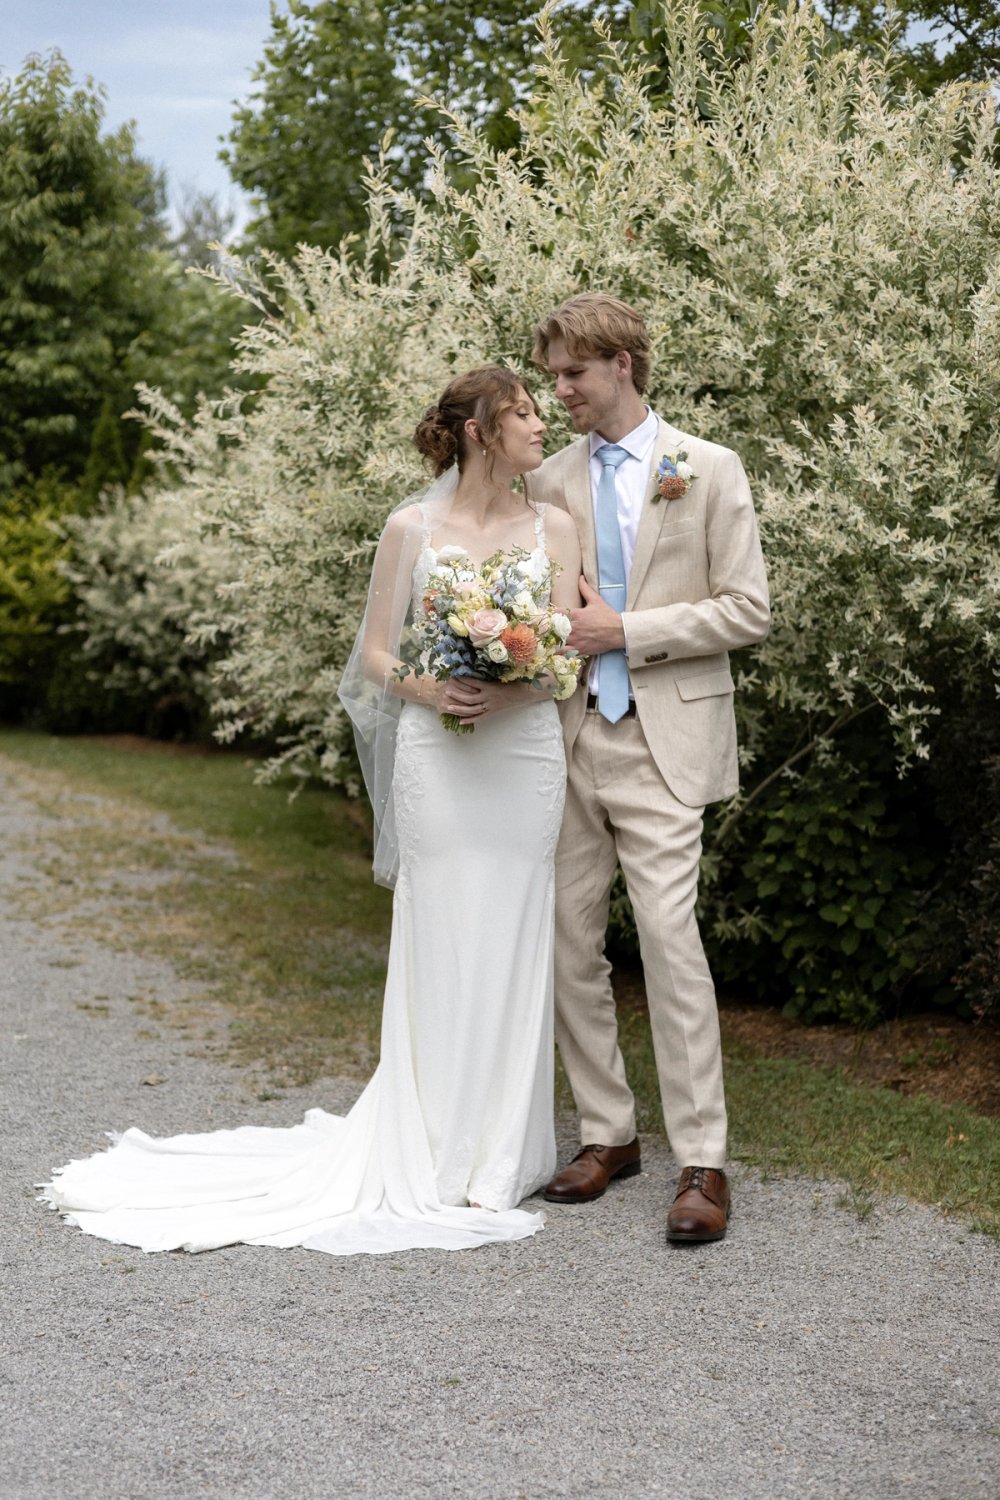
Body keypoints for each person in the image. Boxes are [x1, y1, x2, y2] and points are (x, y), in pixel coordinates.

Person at [40, 365, 583, 1257]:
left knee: (517, 929)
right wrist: (433, 691)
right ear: (480, 430)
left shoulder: (554, 527)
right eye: (524, 415)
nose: (539, 428)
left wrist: (506, 688)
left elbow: (562, 658)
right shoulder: (411, 529)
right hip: (438, 761)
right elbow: (372, 657)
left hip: (521, 761)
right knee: (440, 930)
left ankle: (500, 1155)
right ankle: (433, 1148)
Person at [526, 294, 770, 1242]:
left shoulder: (707, 468)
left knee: (671, 939)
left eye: (572, 375)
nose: (560, 392)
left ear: (621, 364)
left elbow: (747, 610)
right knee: (564, 939)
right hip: (569, 736)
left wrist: (627, 630)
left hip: (667, 741)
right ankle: (608, 1133)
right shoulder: (546, 482)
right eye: (552, 376)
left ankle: (702, 1162)